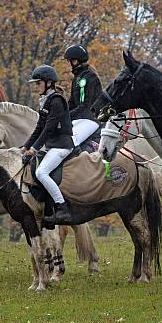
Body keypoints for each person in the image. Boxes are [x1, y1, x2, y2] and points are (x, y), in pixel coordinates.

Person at [22, 65, 74, 224]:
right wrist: (25, 146)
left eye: (38, 83)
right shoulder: (46, 101)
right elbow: (39, 127)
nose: (36, 86)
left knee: (41, 173)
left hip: (62, 146)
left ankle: (62, 207)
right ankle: (49, 210)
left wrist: (34, 149)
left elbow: (49, 129)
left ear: (49, 83)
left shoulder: (56, 101)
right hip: (53, 145)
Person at [63, 44, 102, 147]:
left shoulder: (88, 78)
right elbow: (71, 103)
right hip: (79, 118)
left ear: (76, 61)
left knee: (68, 143)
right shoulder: (77, 78)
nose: (69, 64)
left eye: (70, 61)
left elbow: (85, 106)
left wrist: (66, 116)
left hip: (89, 119)